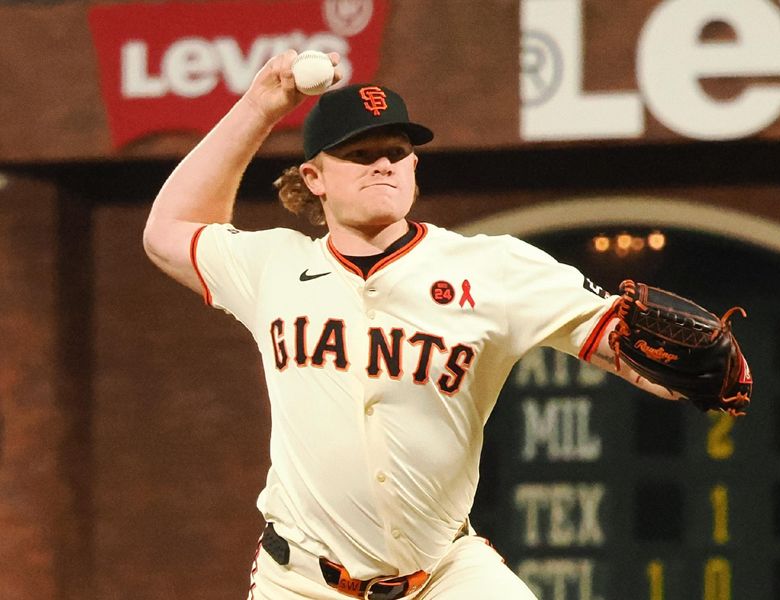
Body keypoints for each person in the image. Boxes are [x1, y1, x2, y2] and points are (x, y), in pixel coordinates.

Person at [142, 50, 728, 600]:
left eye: (396, 152)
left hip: (445, 575)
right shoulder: (273, 266)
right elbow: (168, 230)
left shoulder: (491, 268)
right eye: (359, 153)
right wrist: (259, 108)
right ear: (314, 178)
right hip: (300, 582)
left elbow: (627, 346)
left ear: (414, 166)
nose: (383, 165)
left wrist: (689, 378)